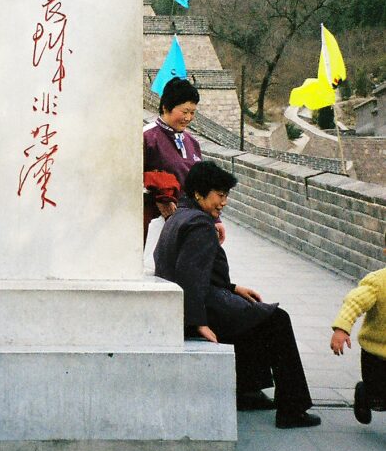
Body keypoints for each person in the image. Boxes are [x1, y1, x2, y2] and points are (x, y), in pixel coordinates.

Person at [154, 160, 321, 429]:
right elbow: (190, 275)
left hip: (193, 301)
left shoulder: (179, 216)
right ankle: (292, 408)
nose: (224, 202)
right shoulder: (199, 224)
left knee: (253, 313)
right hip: (201, 306)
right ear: (199, 193)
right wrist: (198, 322)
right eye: (220, 195)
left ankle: (247, 391)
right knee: (277, 320)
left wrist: (233, 289)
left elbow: (191, 270)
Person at [330, 237, 386, 424]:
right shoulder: (378, 282)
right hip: (375, 355)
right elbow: (354, 302)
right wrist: (342, 328)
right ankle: (364, 394)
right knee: (378, 397)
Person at [143, 78, 204, 246]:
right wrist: (159, 196)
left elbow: (202, 186)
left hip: (191, 223)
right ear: (166, 107)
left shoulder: (192, 142)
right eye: (184, 111)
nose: (188, 117)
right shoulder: (147, 138)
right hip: (156, 224)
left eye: (192, 112)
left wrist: (215, 219)